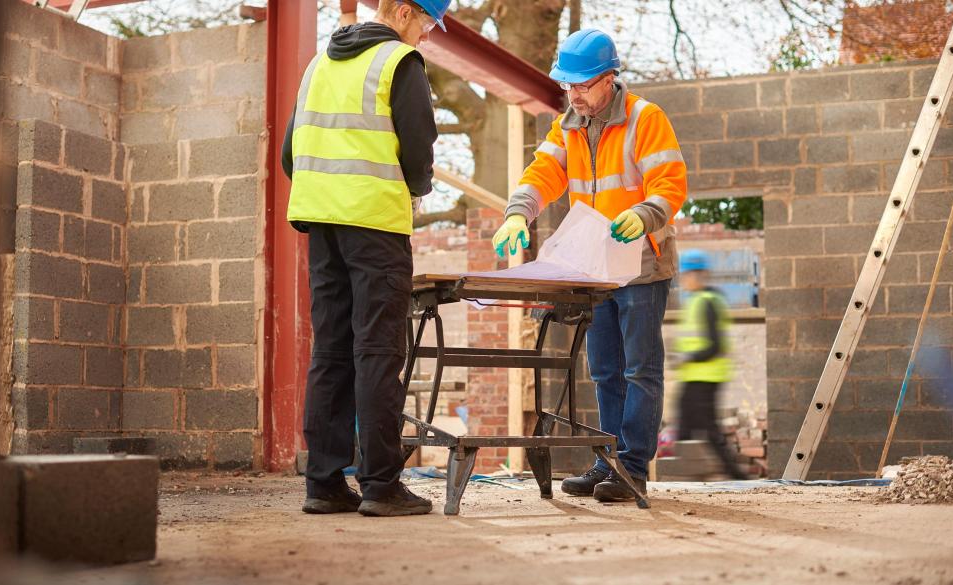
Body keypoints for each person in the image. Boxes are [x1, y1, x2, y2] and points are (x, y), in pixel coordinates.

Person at [492, 28, 687, 502]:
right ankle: (608, 461)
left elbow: (670, 183)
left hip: (642, 265)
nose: (573, 94)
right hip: (596, 271)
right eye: (568, 86)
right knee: (604, 370)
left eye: (582, 85)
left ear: (609, 78)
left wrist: (643, 215)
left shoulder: (645, 118)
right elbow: (542, 174)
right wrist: (518, 213)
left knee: (641, 369)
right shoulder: (568, 125)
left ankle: (633, 467)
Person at [281, 0, 450, 517]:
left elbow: (290, 153)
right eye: (424, 24)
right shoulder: (400, 62)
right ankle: (381, 485)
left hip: (321, 222)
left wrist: (328, 194)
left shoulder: (317, 64)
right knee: (377, 350)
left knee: (330, 349)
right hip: (375, 223)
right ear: (402, 12)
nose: (423, 36)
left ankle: (325, 483)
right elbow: (419, 145)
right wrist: (416, 188)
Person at [674, 250, 746, 480]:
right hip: (695, 376)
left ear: (700, 275)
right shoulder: (697, 300)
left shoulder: (707, 302)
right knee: (686, 423)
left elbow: (714, 345)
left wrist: (688, 358)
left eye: (688, 274)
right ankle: (685, 473)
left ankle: (735, 476)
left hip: (707, 375)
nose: (685, 279)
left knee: (707, 428)